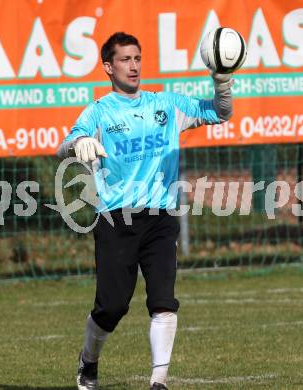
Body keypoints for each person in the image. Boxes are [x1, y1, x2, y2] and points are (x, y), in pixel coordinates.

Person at [57, 31, 233, 390]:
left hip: (161, 216)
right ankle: (88, 361)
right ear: (108, 66)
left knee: (163, 301)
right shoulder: (98, 111)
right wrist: (80, 143)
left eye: (137, 58)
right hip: (115, 219)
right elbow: (64, 145)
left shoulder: (167, 105)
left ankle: (159, 381)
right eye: (124, 59)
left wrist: (222, 79)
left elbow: (220, 112)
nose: (133, 66)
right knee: (112, 307)